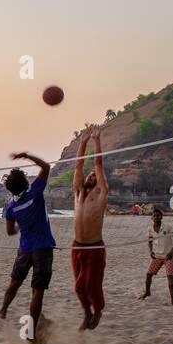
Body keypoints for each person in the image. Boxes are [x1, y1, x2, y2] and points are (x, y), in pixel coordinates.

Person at [0, 151, 55, 344]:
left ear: (10, 189)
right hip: (42, 248)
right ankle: (30, 332)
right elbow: (46, 167)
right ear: (26, 183)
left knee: (15, 282)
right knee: (37, 291)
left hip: (25, 248)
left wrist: (21, 225)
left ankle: (3, 309)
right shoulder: (35, 193)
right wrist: (26, 155)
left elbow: (10, 232)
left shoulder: (10, 207)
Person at [70, 125, 109, 331]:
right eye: (90, 176)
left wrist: (96, 140)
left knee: (89, 286)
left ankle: (98, 311)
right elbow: (78, 167)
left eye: (94, 176)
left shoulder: (101, 194)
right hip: (77, 246)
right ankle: (87, 313)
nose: (91, 176)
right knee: (79, 287)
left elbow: (98, 163)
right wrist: (82, 142)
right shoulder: (78, 193)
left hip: (94, 247)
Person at [139, 207, 173, 306]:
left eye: (158, 216)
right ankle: (147, 292)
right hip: (157, 256)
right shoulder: (150, 229)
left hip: (168, 257)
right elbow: (149, 241)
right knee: (148, 274)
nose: (156, 217)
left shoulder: (168, 227)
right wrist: (151, 251)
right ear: (151, 218)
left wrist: (171, 252)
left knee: (170, 277)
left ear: (161, 217)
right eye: (154, 216)